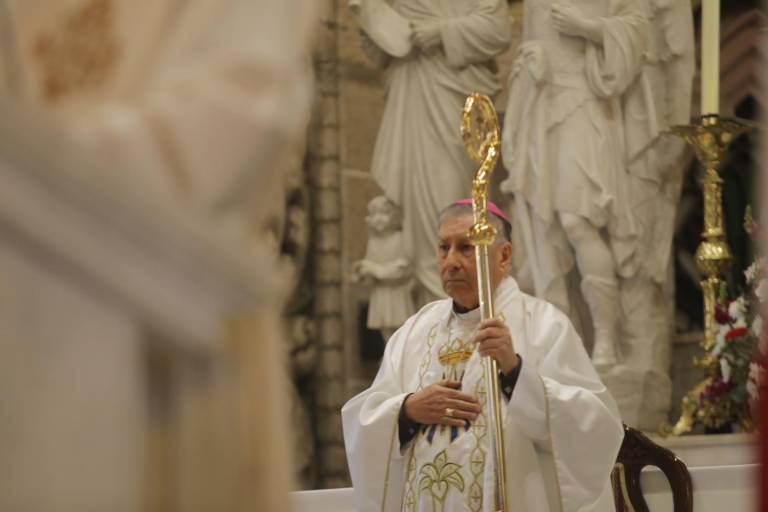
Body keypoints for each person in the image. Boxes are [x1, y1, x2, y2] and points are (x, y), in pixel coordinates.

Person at [342, 200, 624, 512]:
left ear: (503, 256)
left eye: (466, 247)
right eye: (443, 247)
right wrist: (407, 410)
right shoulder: (413, 332)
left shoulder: (543, 326)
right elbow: (362, 423)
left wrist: (515, 373)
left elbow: (593, 425)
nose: (451, 261)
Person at [500, 0, 650, 367]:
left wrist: (587, 27)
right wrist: (529, 63)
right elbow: (531, 42)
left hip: (584, 105)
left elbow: (636, 31)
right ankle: (557, 343)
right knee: (544, 231)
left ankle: (606, 339)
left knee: (578, 221)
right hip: (540, 109)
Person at [352, 0, 511, 305]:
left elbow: (497, 29)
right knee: (415, 219)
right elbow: (386, 51)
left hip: (451, 102)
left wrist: (439, 32)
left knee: (452, 205)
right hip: (410, 98)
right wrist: (372, 23)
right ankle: (431, 317)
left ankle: (465, 311)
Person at [351, 195, 415, 341]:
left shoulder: (399, 239)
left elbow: (403, 269)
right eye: (374, 214)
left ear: (393, 216)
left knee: (402, 332)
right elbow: (369, 267)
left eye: (383, 213)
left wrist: (375, 270)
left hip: (397, 294)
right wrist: (361, 272)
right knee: (386, 334)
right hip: (380, 295)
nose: (378, 218)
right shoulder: (373, 242)